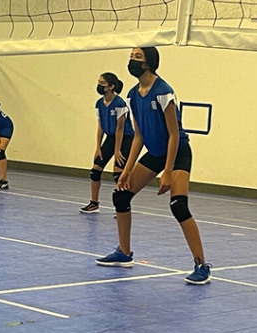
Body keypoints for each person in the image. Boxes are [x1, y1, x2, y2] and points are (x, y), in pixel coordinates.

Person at [96, 47, 211, 285]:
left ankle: (201, 265)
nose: (132, 60)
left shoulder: (164, 92)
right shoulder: (132, 95)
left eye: (137, 57)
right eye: (131, 57)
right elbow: (138, 136)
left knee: (179, 205)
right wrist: (126, 171)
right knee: (121, 195)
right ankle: (124, 254)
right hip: (155, 152)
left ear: (149, 63)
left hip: (177, 152)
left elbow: (173, 135)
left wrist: (168, 172)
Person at [80, 72, 132, 214]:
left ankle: (122, 206)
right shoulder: (99, 103)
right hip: (110, 137)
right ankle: (94, 203)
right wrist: (98, 147)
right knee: (95, 170)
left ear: (111, 86)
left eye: (102, 83)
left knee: (118, 174)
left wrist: (117, 151)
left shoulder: (119, 103)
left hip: (125, 138)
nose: (99, 86)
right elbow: (100, 126)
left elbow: (120, 128)